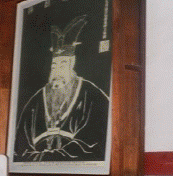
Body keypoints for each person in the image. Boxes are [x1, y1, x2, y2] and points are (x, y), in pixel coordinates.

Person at [14, 15, 110, 162]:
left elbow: (95, 143)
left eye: (63, 65)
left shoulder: (91, 95)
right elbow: (20, 148)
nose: (57, 72)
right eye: (54, 66)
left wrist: (52, 159)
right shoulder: (36, 101)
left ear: (72, 64)